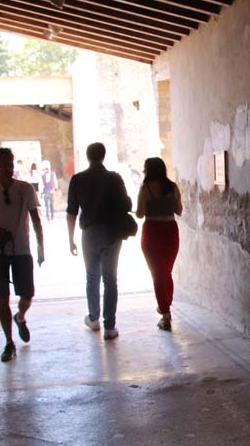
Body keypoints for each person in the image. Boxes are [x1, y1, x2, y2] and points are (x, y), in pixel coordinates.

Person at [0, 147, 44, 362]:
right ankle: (9, 342)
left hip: (21, 248)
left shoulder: (24, 189)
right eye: (4, 163)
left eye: (11, 163)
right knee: (1, 298)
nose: (9, 167)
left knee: (27, 295)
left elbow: (35, 218)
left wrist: (41, 245)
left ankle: (20, 316)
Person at [67, 143, 131, 340]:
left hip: (89, 233)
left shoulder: (77, 179)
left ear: (88, 157)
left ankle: (94, 318)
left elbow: (71, 212)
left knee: (92, 276)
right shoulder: (114, 178)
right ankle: (110, 327)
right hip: (111, 232)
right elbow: (126, 204)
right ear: (103, 156)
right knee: (110, 279)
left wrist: (71, 239)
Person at [135, 157, 182, 331]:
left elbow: (140, 214)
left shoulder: (146, 189)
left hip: (152, 232)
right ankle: (165, 306)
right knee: (166, 272)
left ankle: (165, 312)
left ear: (147, 170)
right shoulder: (173, 187)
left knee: (157, 273)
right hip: (170, 231)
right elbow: (179, 210)